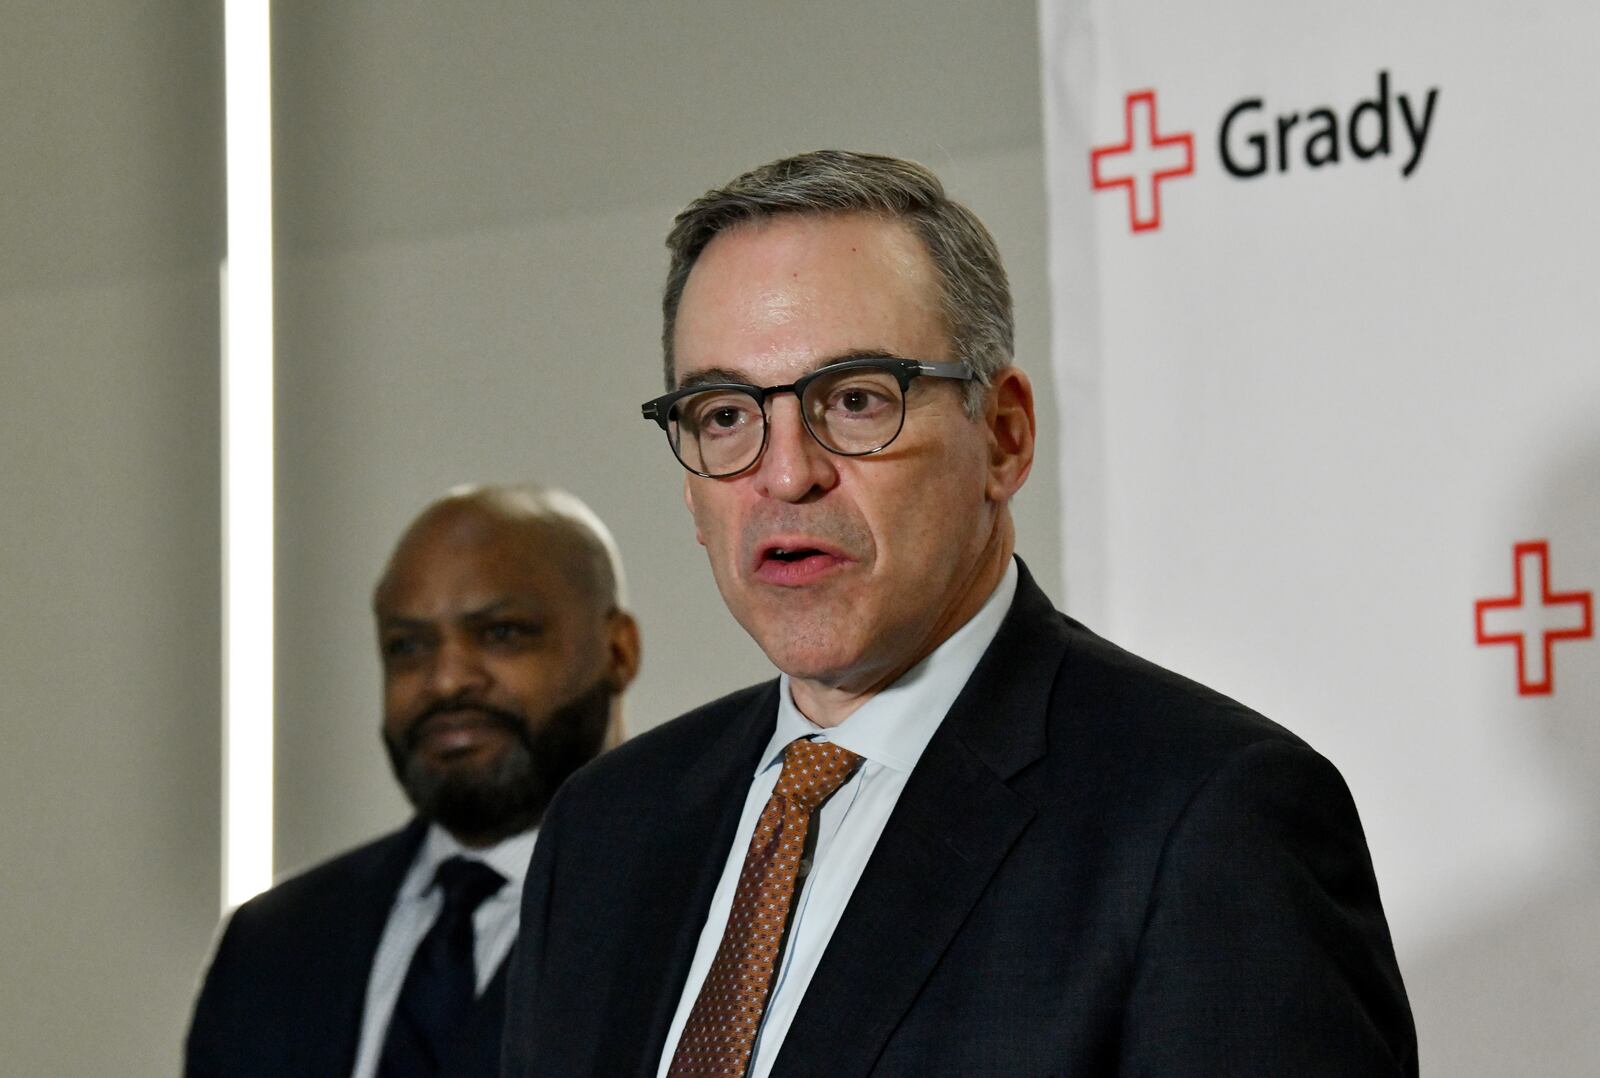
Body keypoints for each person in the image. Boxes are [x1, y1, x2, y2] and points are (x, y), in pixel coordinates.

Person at [500, 151, 1417, 1077]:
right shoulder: (604, 832)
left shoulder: (1208, 822)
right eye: (726, 415)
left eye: (855, 400)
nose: (786, 474)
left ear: (1005, 439)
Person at [186, 485, 640, 1078]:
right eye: (408, 647)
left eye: (501, 633)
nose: (446, 679)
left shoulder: (699, 908)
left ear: (617, 649)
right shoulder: (274, 942)